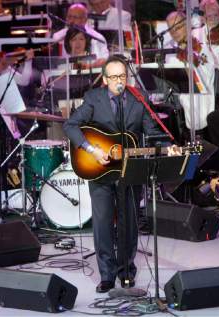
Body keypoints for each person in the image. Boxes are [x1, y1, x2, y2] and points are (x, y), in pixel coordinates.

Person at [63, 55, 175, 293]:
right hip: (99, 170)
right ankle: (107, 275)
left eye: (122, 76)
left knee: (129, 224)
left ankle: (126, 272)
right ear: (105, 79)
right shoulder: (94, 98)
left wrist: (168, 145)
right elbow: (70, 126)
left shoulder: (138, 98)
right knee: (103, 223)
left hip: (129, 170)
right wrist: (91, 149)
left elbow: (152, 131)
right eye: (113, 77)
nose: (119, 81)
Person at [53, 3, 109, 67]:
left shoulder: (97, 38)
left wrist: (89, 66)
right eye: (69, 17)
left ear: (84, 19)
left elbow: (104, 59)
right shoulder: (59, 36)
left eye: (75, 17)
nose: (71, 21)